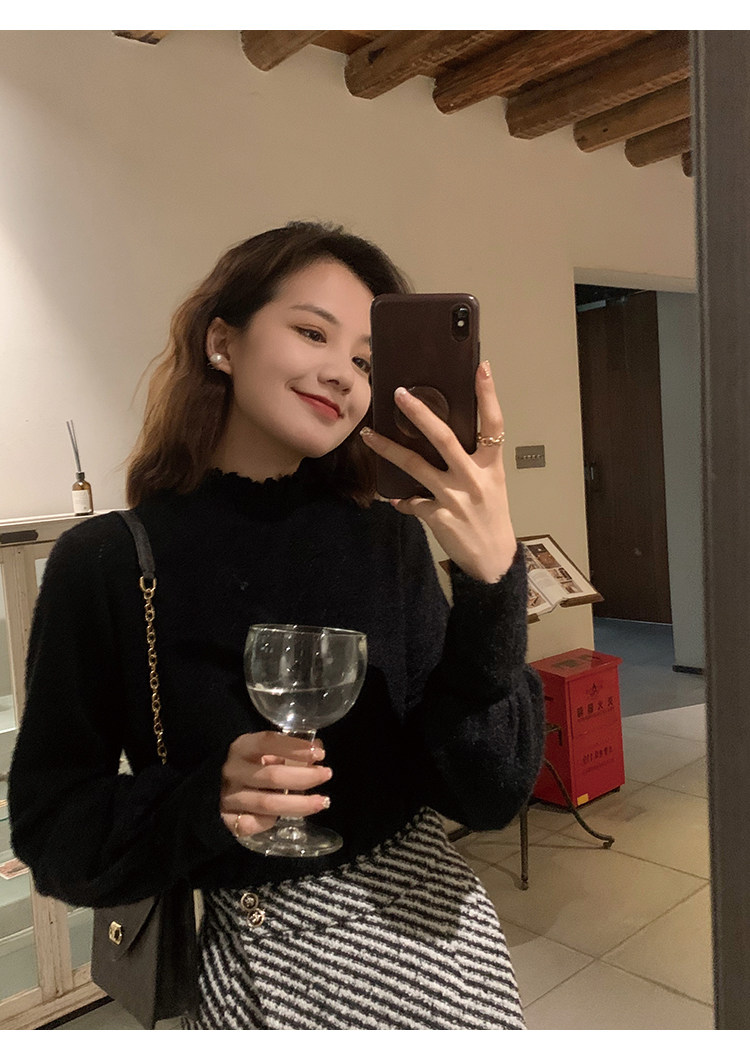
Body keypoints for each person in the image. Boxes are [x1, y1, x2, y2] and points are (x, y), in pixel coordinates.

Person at [9, 221, 545, 1030]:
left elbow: (490, 792)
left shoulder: (389, 537)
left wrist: (493, 585)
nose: (342, 375)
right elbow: (53, 830)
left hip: (440, 942)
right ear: (222, 340)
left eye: (365, 361)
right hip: (254, 967)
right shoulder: (110, 563)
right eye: (312, 332)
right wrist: (205, 802)